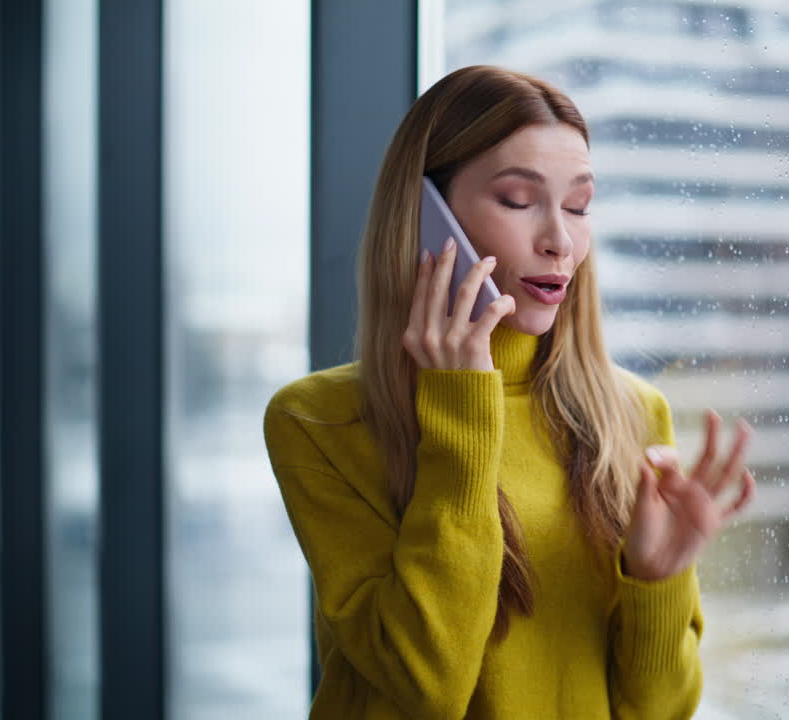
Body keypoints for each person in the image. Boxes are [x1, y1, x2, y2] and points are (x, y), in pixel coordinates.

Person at [263, 64, 756, 719]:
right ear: (425, 220)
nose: (560, 240)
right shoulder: (319, 423)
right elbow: (427, 684)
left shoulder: (634, 414)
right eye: (519, 201)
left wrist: (655, 582)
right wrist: (460, 410)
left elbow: (659, 711)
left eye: (579, 206)